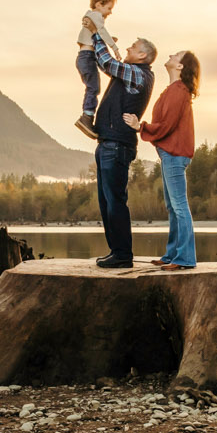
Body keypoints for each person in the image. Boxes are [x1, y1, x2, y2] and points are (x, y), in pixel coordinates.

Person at [127, 49, 200, 270]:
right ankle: (172, 254)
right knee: (172, 206)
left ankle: (185, 258)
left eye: (176, 55)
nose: (171, 55)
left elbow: (166, 125)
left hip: (175, 156)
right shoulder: (172, 90)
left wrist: (141, 127)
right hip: (170, 155)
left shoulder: (179, 91)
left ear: (180, 67)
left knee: (179, 206)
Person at [89, 34, 156, 269]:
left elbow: (107, 63)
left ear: (143, 55)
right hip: (109, 142)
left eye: (134, 47)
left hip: (117, 145)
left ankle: (123, 254)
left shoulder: (139, 73)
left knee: (115, 201)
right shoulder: (131, 72)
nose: (128, 47)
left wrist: (97, 35)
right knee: (107, 202)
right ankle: (117, 252)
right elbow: (104, 63)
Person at [72, 0, 120, 141]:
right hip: (87, 56)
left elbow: (97, 35)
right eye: (109, 8)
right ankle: (87, 117)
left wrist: (108, 39)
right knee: (93, 87)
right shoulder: (95, 16)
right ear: (99, 4)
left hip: (87, 56)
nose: (110, 12)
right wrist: (114, 47)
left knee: (98, 83)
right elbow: (102, 31)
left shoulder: (91, 16)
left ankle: (89, 116)